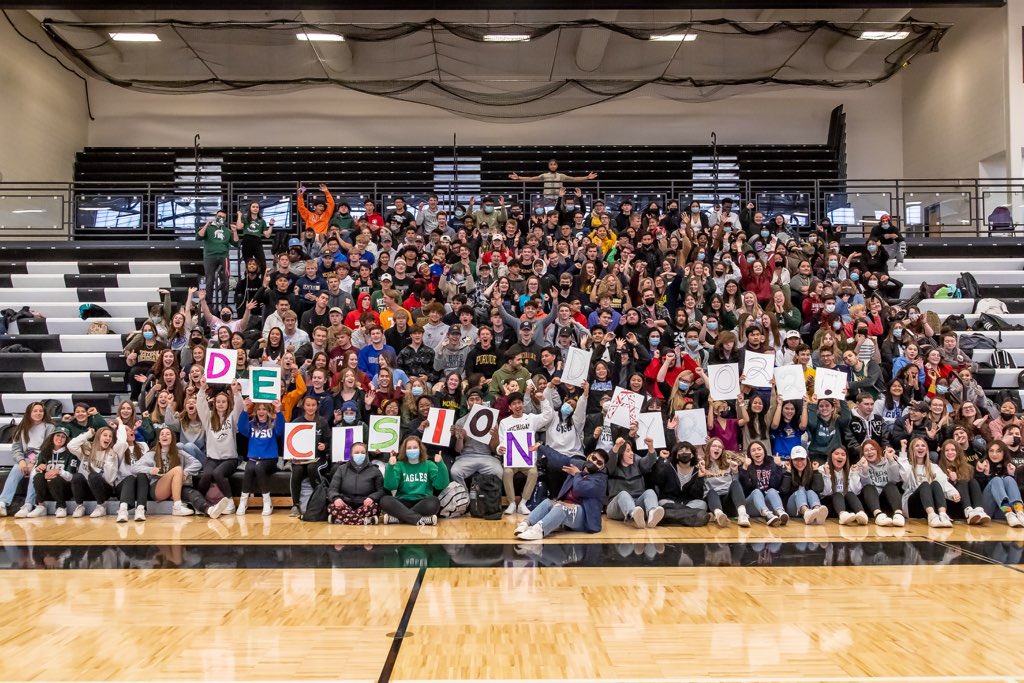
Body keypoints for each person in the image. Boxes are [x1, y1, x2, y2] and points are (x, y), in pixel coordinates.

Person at [516, 447, 608, 540]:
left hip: (585, 519)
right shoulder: (578, 464)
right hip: (568, 507)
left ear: (602, 467)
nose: (594, 463)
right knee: (548, 502)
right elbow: (558, 459)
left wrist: (577, 474)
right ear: (588, 456)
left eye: (599, 463)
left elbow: (579, 489)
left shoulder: (600, 480)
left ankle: (538, 530)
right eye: (594, 458)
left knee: (561, 509)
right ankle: (526, 523)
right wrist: (540, 447)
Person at [196, 380, 245, 512]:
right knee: (205, 476)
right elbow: (200, 407)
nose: (221, 404)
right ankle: (200, 504)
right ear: (214, 404)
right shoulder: (209, 419)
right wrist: (201, 389)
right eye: (218, 402)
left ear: (228, 403)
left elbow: (239, 408)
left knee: (218, 474)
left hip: (230, 459)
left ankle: (230, 503)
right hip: (212, 458)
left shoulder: (232, 419)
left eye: (224, 401)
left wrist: (236, 393)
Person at [0, 402, 54, 517]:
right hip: (25, 458)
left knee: (35, 472)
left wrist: (33, 462)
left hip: (41, 459)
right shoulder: (21, 428)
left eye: (41, 411)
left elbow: (47, 448)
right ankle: (2, 503)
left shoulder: (49, 427)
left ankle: (28, 505)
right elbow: (16, 448)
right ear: (29, 413)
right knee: (15, 470)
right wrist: (21, 461)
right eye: (35, 411)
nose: (38, 413)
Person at [381, 436, 449, 525]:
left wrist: (440, 464)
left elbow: (441, 485)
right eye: (409, 448)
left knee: (434, 501)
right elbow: (390, 486)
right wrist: (390, 466)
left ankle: (400, 518)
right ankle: (418, 519)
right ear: (404, 450)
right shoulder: (399, 465)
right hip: (402, 502)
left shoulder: (429, 464)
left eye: (415, 447)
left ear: (420, 449)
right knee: (385, 500)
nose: (412, 450)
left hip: (423, 501)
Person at [236, 399, 285, 516]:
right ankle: (243, 501)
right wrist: (244, 409)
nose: (261, 412)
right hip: (254, 458)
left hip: (270, 459)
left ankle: (267, 502)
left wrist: (278, 411)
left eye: (264, 409)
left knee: (259, 468)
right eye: (259, 409)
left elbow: (281, 430)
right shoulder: (251, 424)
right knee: (249, 469)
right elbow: (242, 429)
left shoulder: (273, 423)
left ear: (268, 411)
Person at [605, 435, 663, 528]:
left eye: (631, 450)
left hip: (637, 505)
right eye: (628, 451)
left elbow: (650, 461)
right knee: (624, 494)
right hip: (617, 506)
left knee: (650, 492)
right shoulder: (613, 467)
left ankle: (652, 514)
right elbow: (609, 460)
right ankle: (632, 517)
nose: (632, 453)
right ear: (620, 453)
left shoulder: (637, 462)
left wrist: (650, 447)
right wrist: (616, 446)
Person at [898, 437, 955, 528]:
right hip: (912, 505)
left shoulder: (933, 466)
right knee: (925, 484)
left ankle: (943, 515)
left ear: (926, 450)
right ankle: (932, 516)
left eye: (923, 446)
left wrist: (953, 493)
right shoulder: (908, 465)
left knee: (935, 483)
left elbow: (943, 481)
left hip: (929, 504)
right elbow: (904, 475)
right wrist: (903, 451)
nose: (920, 448)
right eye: (917, 446)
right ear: (912, 450)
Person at [24, 427, 78, 518]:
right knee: (38, 477)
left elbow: (71, 477)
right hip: (47, 490)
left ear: (66, 440)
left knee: (55, 478)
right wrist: (38, 469)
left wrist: (59, 471)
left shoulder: (71, 454)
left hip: (64, 489)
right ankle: (41, 506)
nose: (59, 439)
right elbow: (35, 472)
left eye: (63, 437)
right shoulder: (44, 452)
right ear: (52, 437)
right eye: (57, 435)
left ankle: (61, 506)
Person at [327, 442, 384, 524]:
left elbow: (381, 491)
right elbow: (332, 489)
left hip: (365, 503)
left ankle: (341, 519)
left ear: (366, 454)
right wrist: (336, 498)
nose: (360, 455)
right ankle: (365, 521)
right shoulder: (341, 469)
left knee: (374, 507)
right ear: (351, 454)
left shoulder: (375, 470)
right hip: (345, 502)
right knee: (332, 506)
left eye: (363, 453)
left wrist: (372, 497)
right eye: (356, 452)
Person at [198, 208, 238, 309]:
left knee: (225, 279)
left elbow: (236, 243)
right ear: (216, 216)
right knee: (209, 280)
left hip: (223, 256)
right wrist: (207, 225)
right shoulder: (209, 228)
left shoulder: (227, 231)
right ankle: (209, 304)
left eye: (223, 217)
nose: (221, 218)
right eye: (219, 216)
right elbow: (198, 237)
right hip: (209, 256)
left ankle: (224, 303)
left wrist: (235, 231)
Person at [780, 446, 828, 525]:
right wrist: (788, 472)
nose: (799, 463)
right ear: (791, 461)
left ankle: (817, 511)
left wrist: (816, 471)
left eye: (802, 459)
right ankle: (806, 512)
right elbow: (784, 490)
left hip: (810, 506)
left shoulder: (812, 472)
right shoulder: (786, 472)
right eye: (796, 460)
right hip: (793, 508)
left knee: (810, 492)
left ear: (807, 459)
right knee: (800, 490)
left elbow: (819, 489)